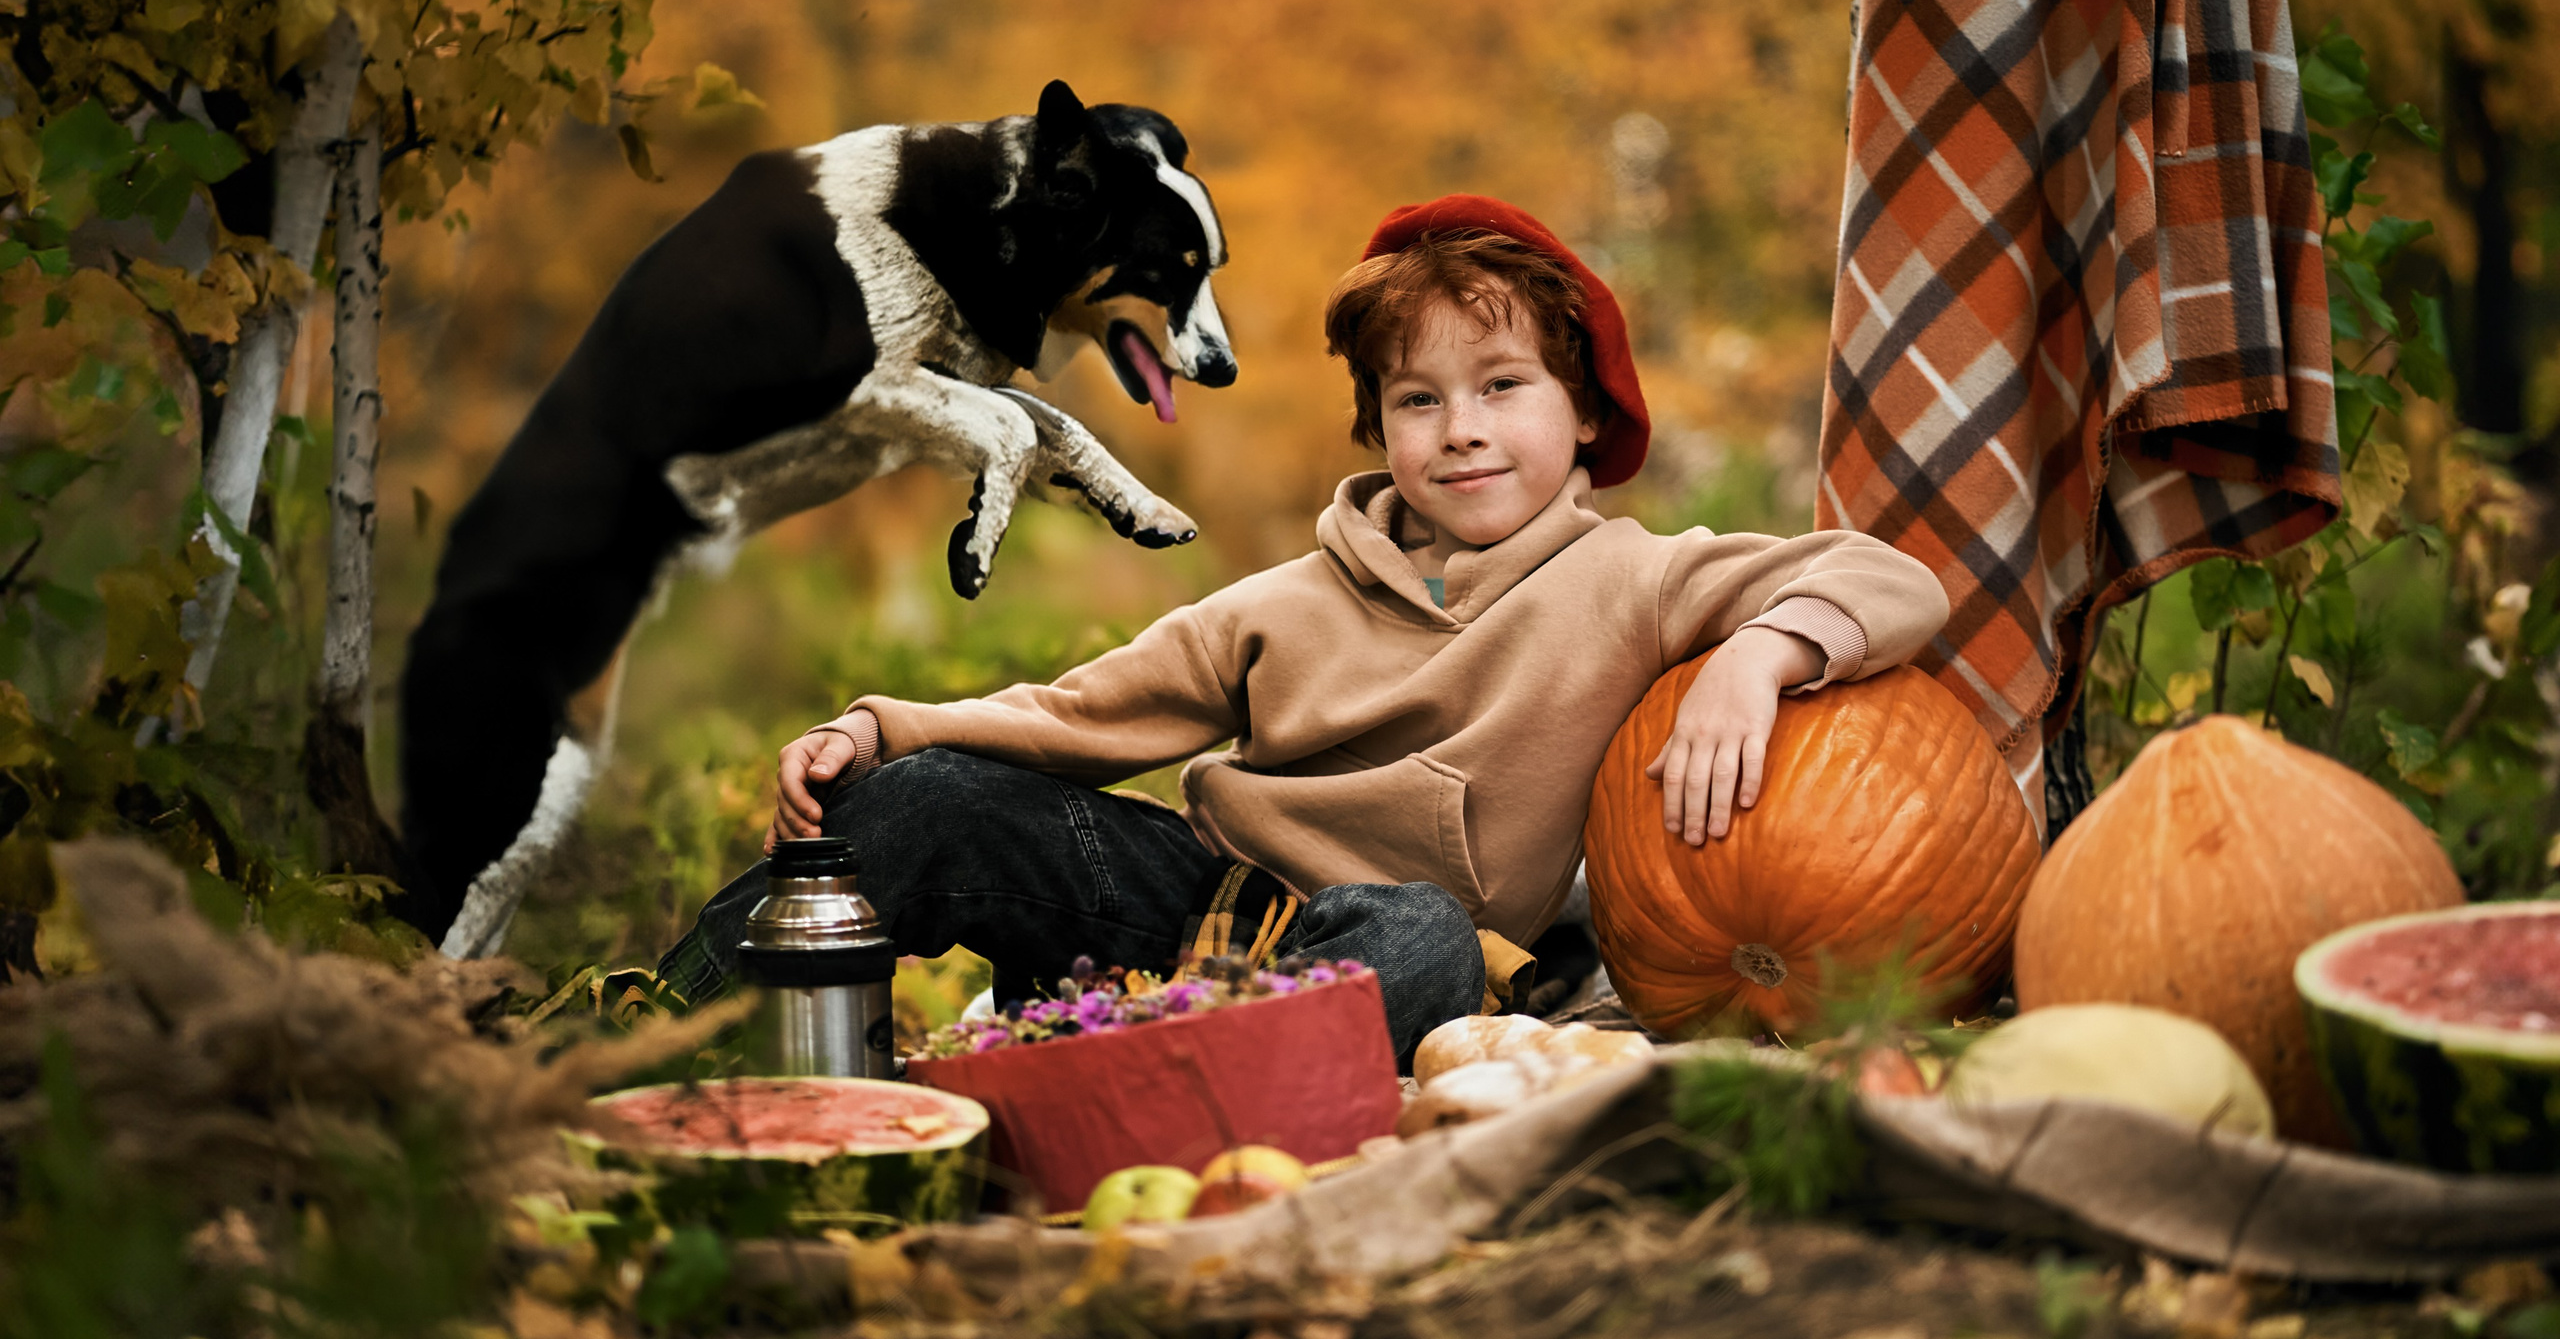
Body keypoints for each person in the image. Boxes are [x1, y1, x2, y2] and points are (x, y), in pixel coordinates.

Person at [656, 195, 1949, 1066]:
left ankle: (1144, 1080)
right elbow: (1079, 716)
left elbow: (1890, 579)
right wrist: (880, 725)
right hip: (1199, 924)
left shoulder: (1637, 580)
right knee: (931, 797)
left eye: (1504, 388)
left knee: (1421, 931)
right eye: (1418, 397)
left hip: (1400, 958)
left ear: (1587, 416)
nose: (1463, 428)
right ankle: (632, 1036)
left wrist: (1754, 654)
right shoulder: (1288, 604)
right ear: (1379, 426)